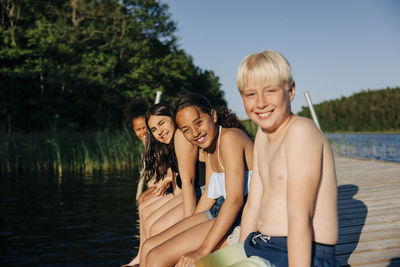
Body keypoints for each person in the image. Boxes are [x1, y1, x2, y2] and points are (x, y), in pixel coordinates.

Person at [194, 50, 340, 267]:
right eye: (251, 94)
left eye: (270, 91)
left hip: (300, 251)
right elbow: (253, 203)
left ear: (290, 91)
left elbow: (300, 218)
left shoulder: (301, 133)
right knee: (200, 265)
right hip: (261, 243)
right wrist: (240, 251)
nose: (260, 103)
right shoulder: (262, 135)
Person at [139, 94, 253, 267]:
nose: (195, 133)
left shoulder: (230, 138)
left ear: (213, 116)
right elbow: (209, 195)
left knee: (159, 258)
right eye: (186, 130)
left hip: (240, 214)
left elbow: (235, 200)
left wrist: (201, 250)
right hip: (218, 209)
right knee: (149, 247)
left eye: (198, 123)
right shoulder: (208, 149)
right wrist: (188, 225)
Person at [123, 103, 206, 267]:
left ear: (173, 118)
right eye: (153, 129)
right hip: (190, 192)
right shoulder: (170, 143)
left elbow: (188, 183)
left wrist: (188, 226)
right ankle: (141, 258)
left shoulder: (180, 137)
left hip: (199, 194)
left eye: (161, 123)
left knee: (155, 229)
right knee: (148, 217)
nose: (158, 131)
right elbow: (178, 178)